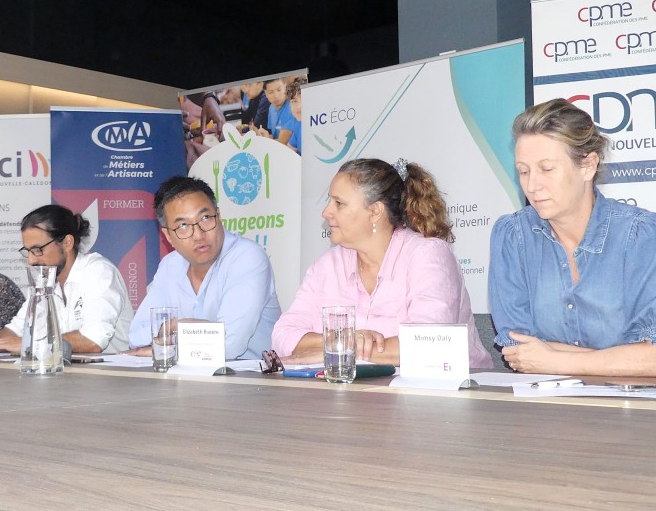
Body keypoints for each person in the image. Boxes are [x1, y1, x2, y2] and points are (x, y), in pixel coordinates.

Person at [490, 98, 656, 376]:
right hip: (546, 401)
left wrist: (558, 360)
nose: (532, 185)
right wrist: (621, 358)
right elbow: (519, 352)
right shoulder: (512, 235)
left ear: (588, 165)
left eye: (547, 169)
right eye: (523, 171)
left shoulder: (641, 235)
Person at [272, 159, 492, 368]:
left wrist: (340, 351)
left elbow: (429, 343)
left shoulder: (427, 254)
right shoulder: (328, 264)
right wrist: (341, 341)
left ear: (375, 211)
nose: (326, 212)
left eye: (339, 203)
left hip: (449, 391)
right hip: (359, 391)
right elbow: (283, 335)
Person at [127, 176, 281, 360]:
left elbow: (228, 345)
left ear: (219, 216)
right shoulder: (170, 265)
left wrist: (175, 335)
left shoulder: (247, 257)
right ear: (168, 236)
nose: (199, 235)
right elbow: (136, 336)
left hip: (247, 374)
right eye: (183, 226)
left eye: (205, 218)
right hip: (185, 375)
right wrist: (174, 328)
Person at [0, 205, 132, 354]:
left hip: (110, 368)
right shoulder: (44, 280)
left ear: (67, 243)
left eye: (38, 250)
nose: (31, 260)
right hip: (62, 368)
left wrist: (32, 345)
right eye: (28, 251)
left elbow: (93, 340)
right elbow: (16, 330)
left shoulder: (99, 271)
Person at [256, 78, 297, 146]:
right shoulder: (271, 107)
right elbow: (274, 136)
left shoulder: (291, 108)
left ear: (285, 87)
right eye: (270, 92)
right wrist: (264, 136)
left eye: (279, 90)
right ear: (266, 94)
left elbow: (283, 142)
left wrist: (266, 139)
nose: (276, 95)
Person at [285, 78, 306, 154]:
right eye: (294, 101)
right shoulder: (299, 124)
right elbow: (289, 152)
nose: (299, 106)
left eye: (304, 99)